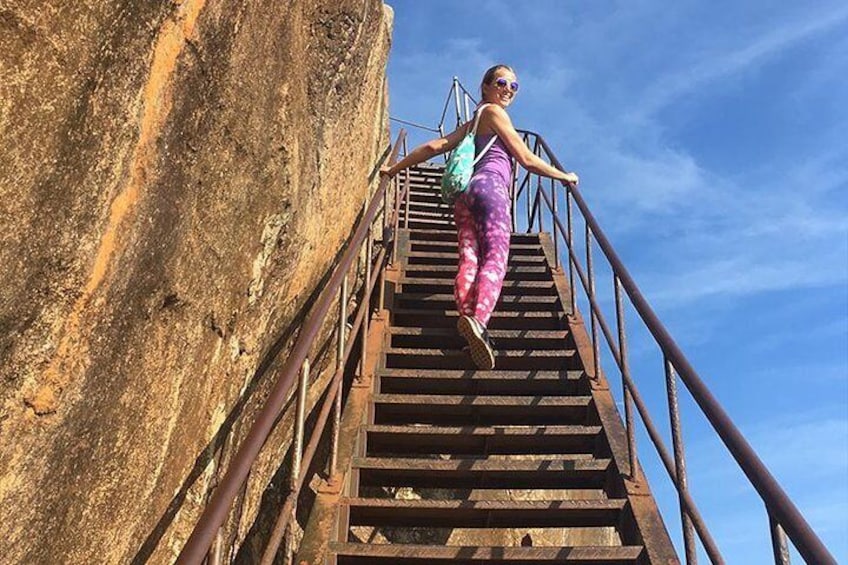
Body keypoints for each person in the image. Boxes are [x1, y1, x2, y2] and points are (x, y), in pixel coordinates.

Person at [381, 64, 579, 369]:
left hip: (465, 196)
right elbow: (525, 159)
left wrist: (394, 169)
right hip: (491, 190)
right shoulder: (495, 114)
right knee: (495, 259)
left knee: (470, 258)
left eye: (514, 87)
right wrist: (563, 176)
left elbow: (437, 146)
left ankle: (468, 321)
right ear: (485, 86)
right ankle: (479, 321)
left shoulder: (475, 120)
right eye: (502, 82)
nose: (508, 90)